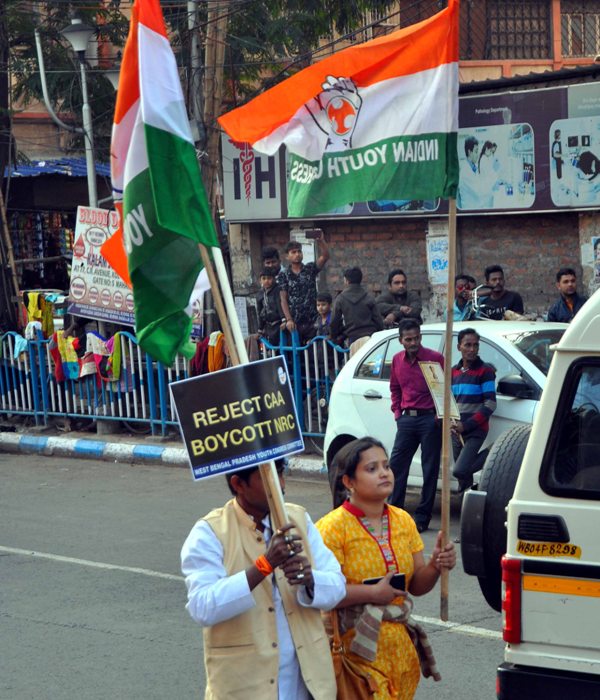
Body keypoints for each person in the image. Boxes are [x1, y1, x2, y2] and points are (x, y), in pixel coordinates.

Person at [181, 460, 346, 700]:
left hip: (306, 683)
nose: (280, 485)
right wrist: (264, 565)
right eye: (267, 477)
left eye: (280, 473)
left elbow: (337, 586)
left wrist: (309, 579)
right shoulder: (209, 532)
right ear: (239, 484)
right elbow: (202, 607)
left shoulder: (298, 518)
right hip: (244, 687)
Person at [317, 437, 456, 700]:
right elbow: (320, 593)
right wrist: (370, 595)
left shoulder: (403, 520)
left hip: (401, 654)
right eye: (371, 469)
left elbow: (415, 586)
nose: (384, 473)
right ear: (348, 482)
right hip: (355, 653)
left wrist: (437, 564)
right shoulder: (331, 528)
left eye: (386, 466)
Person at [388, 319, 444, 532]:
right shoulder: (396, 360)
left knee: (429, 469)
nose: (413, 343)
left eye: (416, 338)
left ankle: (422, 519)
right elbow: (394, 388)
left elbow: (443, 390)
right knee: (396, 467)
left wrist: (439, 416)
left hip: (430, 420)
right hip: (406, 420)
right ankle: (395, 514)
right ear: (401, 340)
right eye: (408, 339)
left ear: (421, 337)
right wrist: (397, 412)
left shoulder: (434, 359)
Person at [450, 329, 497, 492]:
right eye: (467, 345)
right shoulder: (453, 372)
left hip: (476, 430)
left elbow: (490, 404)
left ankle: (494, 453)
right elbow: (449, 402)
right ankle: (467, 509)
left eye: (475, 345)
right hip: (456, 431)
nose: (471, 349)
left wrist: (467, 425)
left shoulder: (485, 371)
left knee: (459, 470)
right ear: (459, 347)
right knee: (464, 479)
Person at [277, 235, 329, 344]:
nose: (297, 254)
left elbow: (325, 256)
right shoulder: (284, 275)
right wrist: (289, 319)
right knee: (297, 354)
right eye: (293, 252)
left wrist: (321, 240)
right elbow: (283, 299)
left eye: (299, 251)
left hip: (313, 320)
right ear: (287, 256)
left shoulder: (309, 269)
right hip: (295, 322)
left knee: (314, 352)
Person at [329, 267, 384, 346]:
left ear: (346, 281)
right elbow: (378, 320)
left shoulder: (340, 299)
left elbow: (334, 322)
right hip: (371, 337)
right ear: (360, 279)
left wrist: (334, 337)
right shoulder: (368, 297)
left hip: (352, 338)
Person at [256, 268, 286, 346]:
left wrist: (284, 320)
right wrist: (260, 329)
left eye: (269, 278)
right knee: (269, 347)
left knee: (282, 346)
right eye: (264, 278)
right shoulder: (260, 294)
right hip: (268, 326)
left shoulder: (277, 290)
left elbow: (280, 305)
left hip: (279, 324)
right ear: (260, 280)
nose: (266, 281)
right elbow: (259, 312)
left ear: (273, 279)